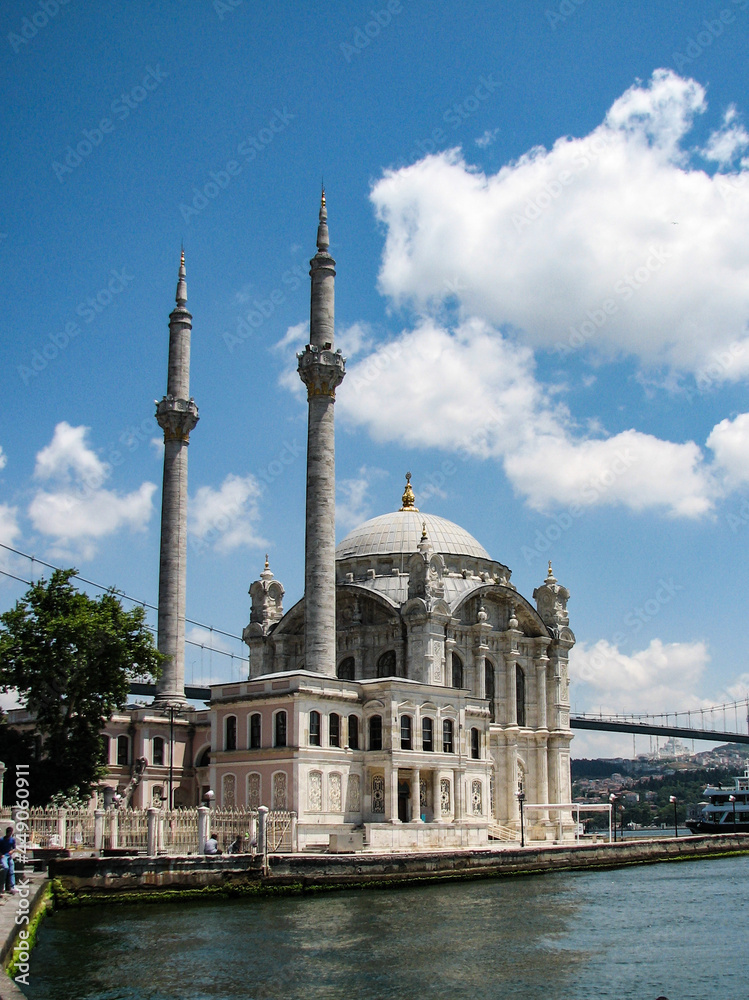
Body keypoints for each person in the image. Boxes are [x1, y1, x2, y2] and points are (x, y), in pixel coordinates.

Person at [0, 827, 18, 894]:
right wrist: (1, 854)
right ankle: (3, 884)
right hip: (4, 856)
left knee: (11, 870)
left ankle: (12, 886)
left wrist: (12, 851)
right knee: (5, 868)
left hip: (9, 856)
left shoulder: (12, 840)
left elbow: (14, 848)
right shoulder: (1, 840)